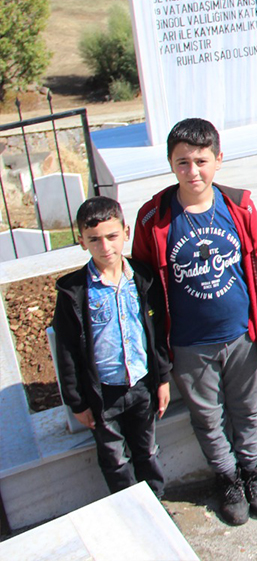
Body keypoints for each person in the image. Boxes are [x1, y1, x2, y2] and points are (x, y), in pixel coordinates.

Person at [133, 118, 257, 524]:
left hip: (241, 336)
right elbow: (144, 289)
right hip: (188, 343)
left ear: (218, 159)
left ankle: (253, 472)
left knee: (248, 410)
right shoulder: (154, 219)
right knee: (208, 417)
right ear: (170, 163)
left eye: (201, 160)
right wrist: (158, 354)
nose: (192, 171)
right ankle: (227, 477)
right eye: (183, 162)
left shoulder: (239, 206)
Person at [53, 197, 171, 501]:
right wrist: (77, 402)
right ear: (82, 241)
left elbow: (156, 335)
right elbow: (67, 350)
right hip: (103, 394)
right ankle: (128, 511)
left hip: (141, 386)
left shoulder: (143, 279)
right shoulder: (74, 293)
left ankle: (155, 508)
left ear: (126, 232)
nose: (105, 246)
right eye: (94, 239)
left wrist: (162, 379)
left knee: (147, 451)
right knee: (115, 459)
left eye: (111, 236)